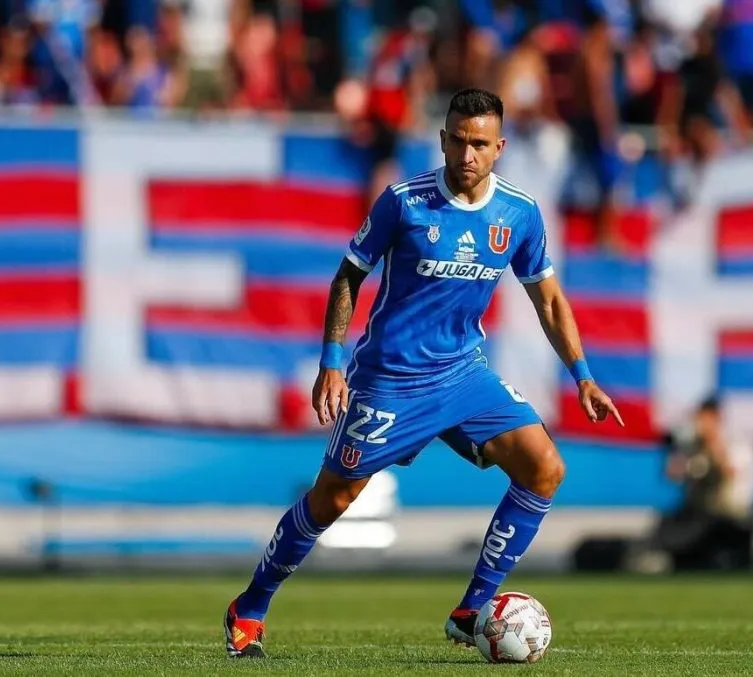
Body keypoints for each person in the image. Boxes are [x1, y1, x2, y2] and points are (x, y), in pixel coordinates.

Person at [223, 88, 624, 658]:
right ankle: (250, 606)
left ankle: (470, 610)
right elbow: (348, 277)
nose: (467, 154)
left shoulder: (519, 213)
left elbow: (550, 300)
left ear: (500, 148)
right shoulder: (404, 202)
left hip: (463, 375)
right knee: (333, 499)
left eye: (480, 144)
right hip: (389, 379)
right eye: (458, 141)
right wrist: (332, 364)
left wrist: (582, 375)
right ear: (442, 140)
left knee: (544, 468)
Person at [642, 396, 753, 572]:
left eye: (704, 419)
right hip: (698, 514)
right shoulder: (693, 446)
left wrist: (713, 443)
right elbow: (672, 476)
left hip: (731, 516)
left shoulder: (738, 443)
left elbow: (729, 472)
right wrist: (679, 449)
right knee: (667, 528)